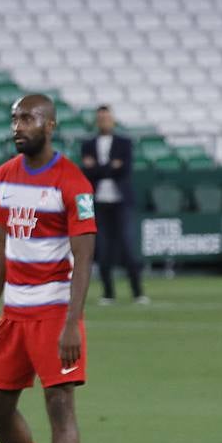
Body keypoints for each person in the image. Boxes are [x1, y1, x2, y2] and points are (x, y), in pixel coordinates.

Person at [0, 94, 96, 443]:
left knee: (59, 406)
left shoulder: (73, 182)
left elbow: (84, 258)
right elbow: (2, 245)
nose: (18, 126)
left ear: (50, 125)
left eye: (27, 118)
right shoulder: (3, 178)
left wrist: (72, 322)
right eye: (14, 119)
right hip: (15, 314)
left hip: (54, 313)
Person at [80, 105, 146, 305]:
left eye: (107, 118)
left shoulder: (124, 142)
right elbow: (87, 171)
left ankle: (138, 292)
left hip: (121, 202)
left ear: (113, 120)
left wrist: (99, 168)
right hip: (98, 202)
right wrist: (110, 167)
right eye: (100, 118)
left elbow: (123, 170)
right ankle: (108, 293)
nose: (104, 122)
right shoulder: (88, 143)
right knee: (102, 248)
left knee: (128, 246)